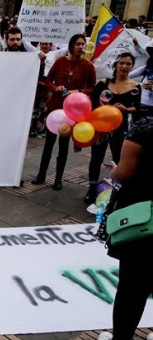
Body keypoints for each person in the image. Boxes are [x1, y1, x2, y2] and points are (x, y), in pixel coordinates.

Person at [96, 115, 153, 340]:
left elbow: (125, 173)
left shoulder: (145, 126)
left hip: (144, 222)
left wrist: (114, 170)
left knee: (132, 288)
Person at [32, 34, 96, 190]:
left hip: (72, 110)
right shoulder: (60, 62)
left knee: (63, 145)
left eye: (83, 44)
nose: (81, 47)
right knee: (49, 143)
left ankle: (58, 179)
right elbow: (48, 81)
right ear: (71, 45)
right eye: (78, 44)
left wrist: (79, 91)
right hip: (55, 107)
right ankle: (41, 174)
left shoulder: (88, 66)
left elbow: (92, 88)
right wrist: (56, 88)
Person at [85, 53, 141, 204]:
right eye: (121, 63)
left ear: (132, 67)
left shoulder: (135, 86)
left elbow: (137, 108)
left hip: (120, 128)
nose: (124, 66)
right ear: (116, 65)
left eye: (128, 64)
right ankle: (91, 190)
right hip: (101, 127)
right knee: (96, 158)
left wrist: (126, 109)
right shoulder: (103, 83)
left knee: (119, 159)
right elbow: (92, 104)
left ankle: (117, 190)